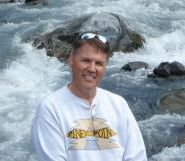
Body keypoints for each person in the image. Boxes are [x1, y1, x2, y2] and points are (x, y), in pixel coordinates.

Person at [32, 32, 148, 161]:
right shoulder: (50, 108)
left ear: (105, 67)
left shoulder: (118, 104)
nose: (92, 69)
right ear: (71, 60)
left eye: (99, 63)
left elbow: (137, 157)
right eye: (86, 60)